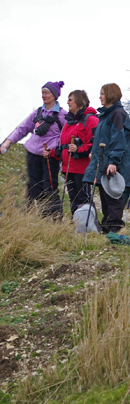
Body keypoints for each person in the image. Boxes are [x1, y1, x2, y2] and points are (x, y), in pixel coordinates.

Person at [0, 81, 67, 217]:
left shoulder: (62, 115)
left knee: (50, 187)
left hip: (49, 156)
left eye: (46, 92)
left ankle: (52, 219)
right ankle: (30, 217)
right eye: (42, 92)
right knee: (32, 186)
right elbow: (22, 128)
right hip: (32, 154)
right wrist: (7, 142)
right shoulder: (37, 113)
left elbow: (66, 135)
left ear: (54, 95)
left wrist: (55, 149)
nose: (43, 95)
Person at [44, 90, 99, 215]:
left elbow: (95, 144)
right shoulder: (69, 122)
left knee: (83, 198)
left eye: (70, 99)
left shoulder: (91, 120)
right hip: (68, 167)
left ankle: (89, 225)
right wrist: (51, 153)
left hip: (82, 168)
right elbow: (64, 146)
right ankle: (77, 224)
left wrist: (78, 150)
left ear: (80, 101)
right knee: (73, 198)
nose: (67, 102)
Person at [83, 83, 128, 233]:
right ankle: (107, 226)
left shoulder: (117, 113)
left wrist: (113, 161)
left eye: (102, 93)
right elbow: (103, 139)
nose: (100, 97)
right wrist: (93, 153)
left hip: (112, 163)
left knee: (113, 194)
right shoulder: (105, 115)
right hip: (103, 161)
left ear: (110, 94)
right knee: (105, 194)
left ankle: (114, 227)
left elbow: (118, 138)